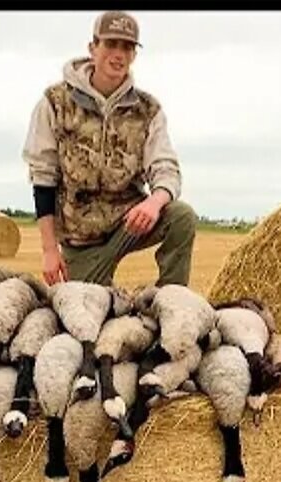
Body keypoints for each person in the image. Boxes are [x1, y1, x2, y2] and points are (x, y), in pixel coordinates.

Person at [23, 10, 197, 288]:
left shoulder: (148, 110)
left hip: (129, 223)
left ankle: (170, 303)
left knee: (181, 217)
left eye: (127, 47)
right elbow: (43, 177)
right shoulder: (55, 102)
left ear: (134, 55)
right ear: (93, 48)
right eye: (111, 44)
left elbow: (166, 167)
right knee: (86, 317)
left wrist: (155, 201)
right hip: (80, 240)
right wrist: (49, 250)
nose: (119, 54)